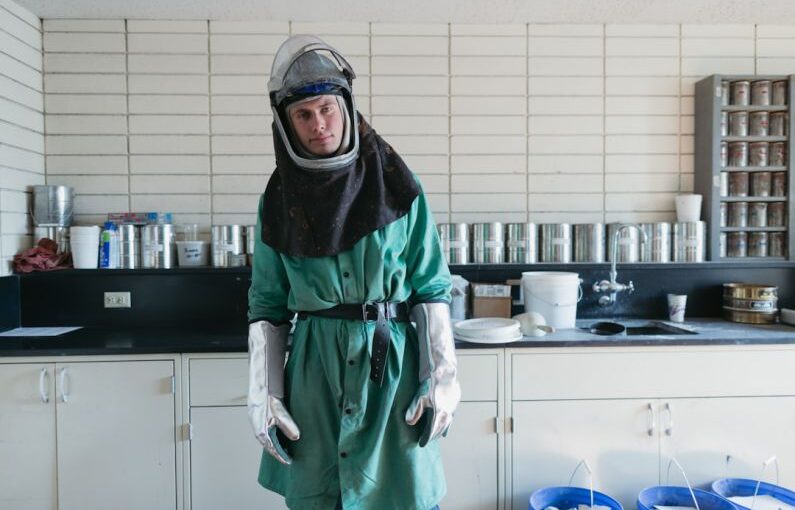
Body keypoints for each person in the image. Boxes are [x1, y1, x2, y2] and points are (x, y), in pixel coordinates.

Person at [246, 35, 461, 510]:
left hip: (392, 376)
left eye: (326, 108)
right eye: (302, 114)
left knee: (402, 496)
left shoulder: (398, 186)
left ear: (346, 106)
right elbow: (267, 304)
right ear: (286, 123)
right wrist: (263, 393)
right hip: (313, 377)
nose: (317, 124)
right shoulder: (278, 201)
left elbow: (430, 286)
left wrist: (441, 375)